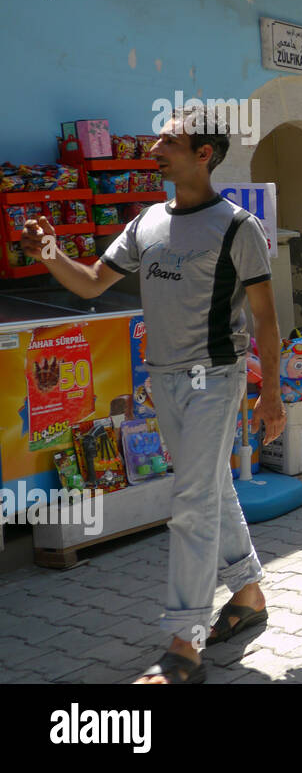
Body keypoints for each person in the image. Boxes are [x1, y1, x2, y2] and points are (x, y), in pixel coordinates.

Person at [22, 105, 286, 684]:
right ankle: (248, 594)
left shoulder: (239, 227)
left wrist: (272, 395)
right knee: (211, 487)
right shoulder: (145, 223)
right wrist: (48, 252)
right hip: (163, 379)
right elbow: (92, 282)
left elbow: (266, 318)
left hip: (216, 377)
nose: (155, 148)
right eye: (157, 139)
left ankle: (184, 645)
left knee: (191, 504)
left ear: (204, 155)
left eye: (170, 141)